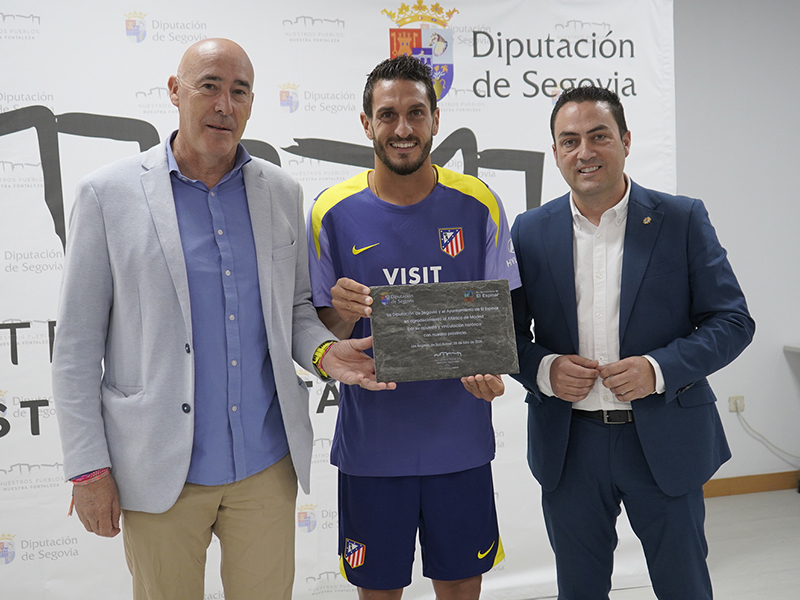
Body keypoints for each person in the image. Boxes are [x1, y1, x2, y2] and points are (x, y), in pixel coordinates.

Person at [51, 38, 393, 600]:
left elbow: (294, 309)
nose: (224, 105)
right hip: (158, 469)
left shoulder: (281, 191)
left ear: (252, 103)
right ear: (174, 91)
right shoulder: (106, 195)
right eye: (208, 86)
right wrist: (88, 470)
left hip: (266, 466)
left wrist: (324, 353)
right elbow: (76, 349)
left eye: (239, 91)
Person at [510, 85, 755, 599]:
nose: (585, 152)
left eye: (599, 136)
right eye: (570, 140)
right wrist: (545, 370)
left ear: (625, 140)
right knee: (579, 590)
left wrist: (658, 369)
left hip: (664, 439)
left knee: (684, 587)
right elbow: (507, 337)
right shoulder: (529, 231)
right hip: (570, 446)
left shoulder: (682, 219)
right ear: (555, 152)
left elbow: (733, 321)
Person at [306, 55, 521, 600]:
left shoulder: (479, 203)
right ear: (366, 123)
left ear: (435, 119)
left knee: (461, 587)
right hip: (372, 450)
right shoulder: (331, 212)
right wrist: (341, 310)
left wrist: (492, 371)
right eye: (387, 114)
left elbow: (497, 319)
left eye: (415, 113)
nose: (402, 128)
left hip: (460, 445)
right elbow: (322, 330)